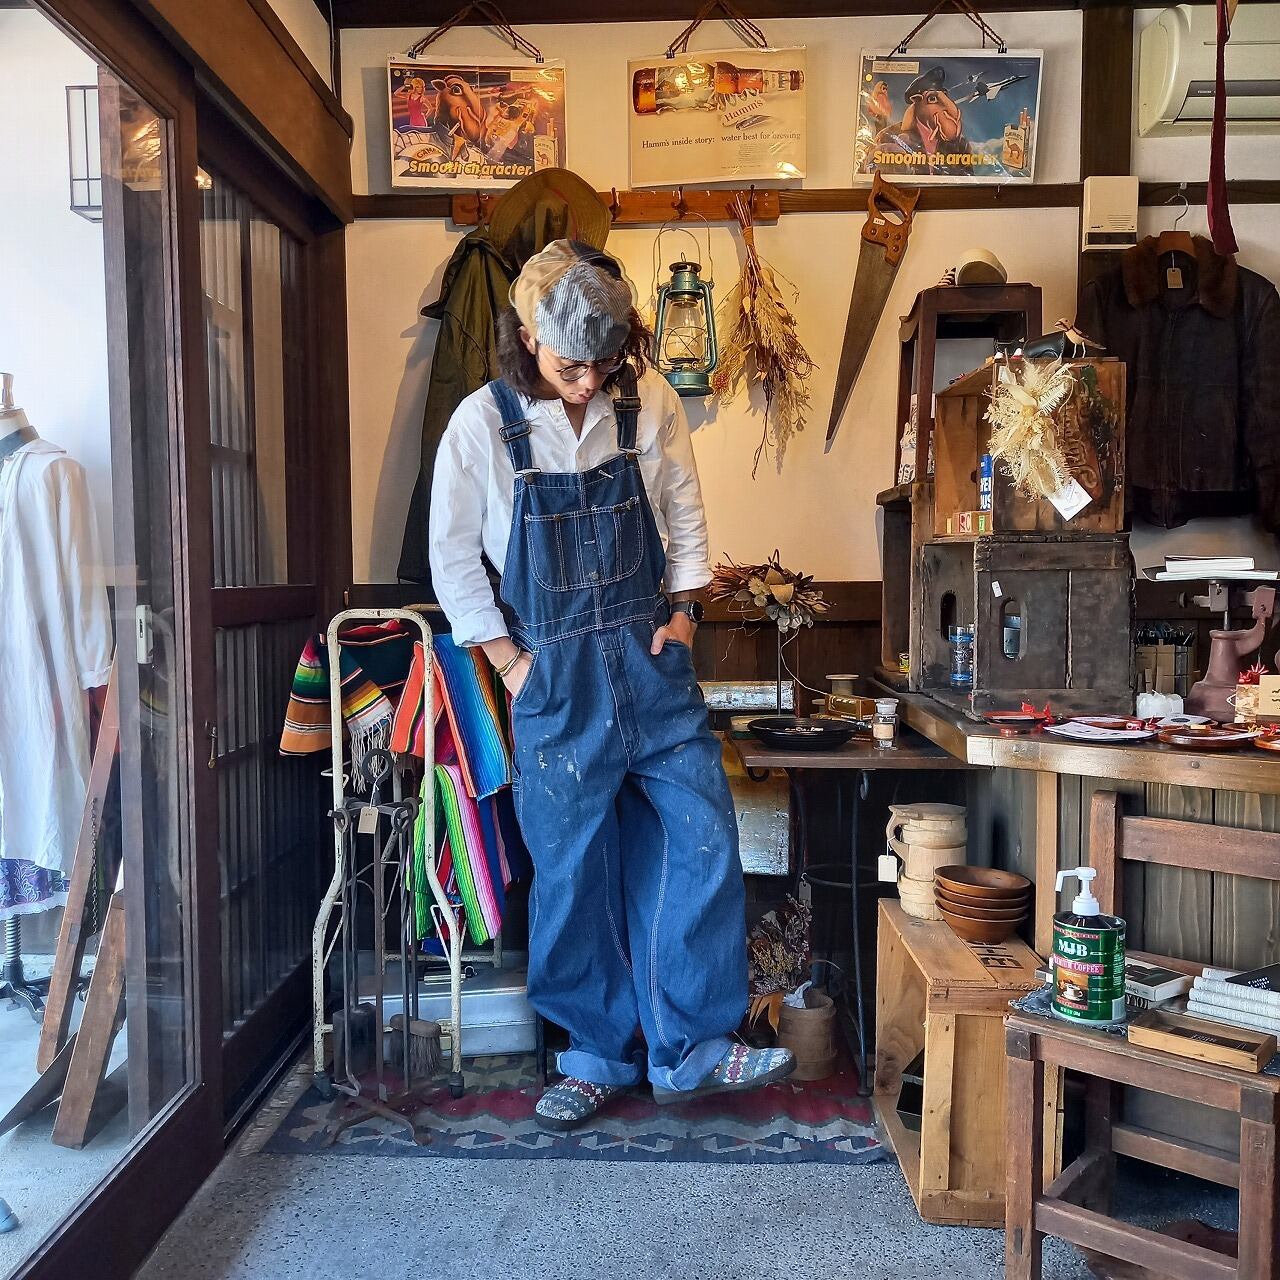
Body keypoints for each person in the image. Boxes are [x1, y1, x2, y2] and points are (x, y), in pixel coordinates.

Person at [429, 240, 795, 1129]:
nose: (589, 382)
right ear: (526, 336)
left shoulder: (648, 397)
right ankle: (595, 1054)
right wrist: (511, 665)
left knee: (700, 838)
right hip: (553, 680)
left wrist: (686, 615)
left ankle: (691, 1047)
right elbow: (451, 557)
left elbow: (684, 509)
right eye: (570, 366)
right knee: (571, 872)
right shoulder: (481, 425)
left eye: (602, 362)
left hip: (650, 658)